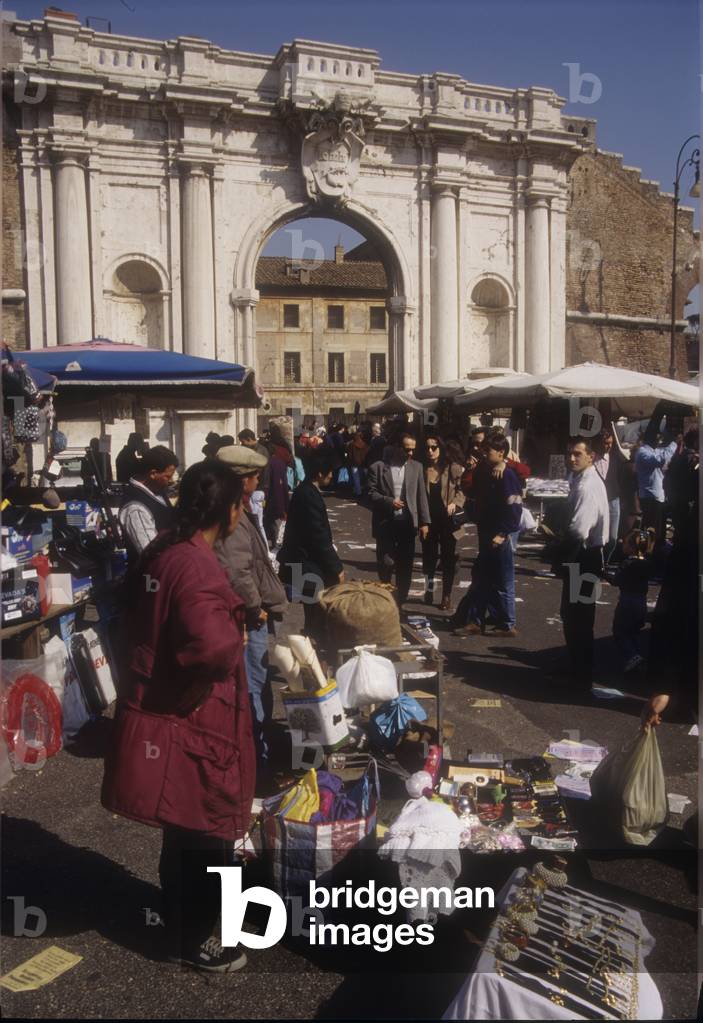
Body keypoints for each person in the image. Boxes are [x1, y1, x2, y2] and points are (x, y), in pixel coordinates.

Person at [102, 460, 254, 973]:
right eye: (241, 503)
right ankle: (200, 939)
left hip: (169, 712)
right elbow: (210, 647)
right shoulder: (195, 563)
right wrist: (238, 637)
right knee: (211, 828)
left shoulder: (165, 550)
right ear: (228, 511)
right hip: (199, 717)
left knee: (182, 826)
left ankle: (179, 924)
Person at [215, 445, 287, 768]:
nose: (259, 478)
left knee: (258, 683)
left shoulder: (240, 509)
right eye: (253, 474)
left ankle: (261, 748)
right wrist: (255, 607)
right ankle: (257, 759)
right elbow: (236, 570)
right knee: (253, 686)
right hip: (249, 617)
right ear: (240, 479)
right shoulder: (229, 515)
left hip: (254, 613)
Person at [453, 434, 522, 636]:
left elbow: (515, 507)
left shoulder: (507, 474)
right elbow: (470, 487)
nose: (484, 453)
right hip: (486, 531)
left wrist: (503, 533)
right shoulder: (484, 469)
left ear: (501, 453)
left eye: (488, 451)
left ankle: (507, 624)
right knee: (482, 577)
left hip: (499, 534)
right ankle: (475, 621)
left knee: (503, 579)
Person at [555, 438, 609, 689]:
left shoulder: (587, 485)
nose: (572, 458)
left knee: (578, 617)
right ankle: (578, 668)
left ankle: (581, 674)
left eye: (578, 454)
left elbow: (579, 530)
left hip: (584, 557)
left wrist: (556, 543)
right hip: (585, 556)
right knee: (575, 615)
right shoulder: (581, 479)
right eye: (570, 453)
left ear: (591, 456)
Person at [278, 451, 344, 633]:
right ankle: (314, 651)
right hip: (308, 565)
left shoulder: (305, 491)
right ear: (320, 473)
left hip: (305, 562)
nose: (332, 475)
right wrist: (337, 567)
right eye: (329, 471)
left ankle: (313, 646)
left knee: (314, 613)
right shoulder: (308, 495)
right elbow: (319, 536)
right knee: (317, 615)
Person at [367, 433, 430, 606]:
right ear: (397, 447)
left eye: (413, 450)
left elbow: (421, 496)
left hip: (407, 524)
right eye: (407, 449)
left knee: (405, 565)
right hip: (385, 523)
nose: (410, 453)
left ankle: (400, 601)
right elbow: (370, 493)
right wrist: (389, 501)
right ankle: (387, 597)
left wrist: (425, 522)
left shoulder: (416, 467)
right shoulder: (378, 468)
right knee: (386, 562)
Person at [421, 434, 465, 611]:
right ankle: (429, 590)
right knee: (428, 558)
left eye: (434, 447)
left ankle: (446, 596)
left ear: (441, 448)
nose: (430, 451)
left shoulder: (452, 468)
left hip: (448, 521)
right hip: (429, 520)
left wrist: (456, 502)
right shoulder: (422, 469)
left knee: (448, 559)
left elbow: (463, 490)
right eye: (427, 448)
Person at [118, 445, 179, 563]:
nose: (171, 481)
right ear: (153, 473)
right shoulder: (136, 508)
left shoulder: (157, 491)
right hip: (150, 578)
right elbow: (152, 553)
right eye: (167, 477)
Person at [612, 527, 655, 673]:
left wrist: (604, 573)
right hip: (641, 602)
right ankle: (637, 658)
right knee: (634, 632)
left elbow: (616, 580)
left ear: (631, 547)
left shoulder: (628, 563)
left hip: (627, 601)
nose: (622, 545)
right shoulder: (647, 564)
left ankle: (633, 656)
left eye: (625, 543)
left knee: (620, 631)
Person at [634, 418, 677, 545]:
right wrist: (675, 443)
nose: (659, 438)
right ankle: (645, 551)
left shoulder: (654, 450)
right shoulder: (642, 452)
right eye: (658, 436)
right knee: (650, 530)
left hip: (657, 497)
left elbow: (664, 454)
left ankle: (653, 552)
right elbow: (660, 460)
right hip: (650, 497)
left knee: (658, 531)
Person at [594, 424, 628, 564]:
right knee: (597, 537)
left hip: (613, 501)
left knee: (613, 538)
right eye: (606, 443)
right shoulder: (591, 460)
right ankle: (597, 564)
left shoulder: (615, 459)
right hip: (596, 502)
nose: (608, 446)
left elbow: (622, 479)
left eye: (611, 443)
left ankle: (604, 563)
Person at [238, 428, 271, 535]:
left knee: (257, 524)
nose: (242, 444)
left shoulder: (259, 452)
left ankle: (262, 550)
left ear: (249, 439)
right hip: (259, 490)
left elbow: (255, 471)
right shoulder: (260, 450)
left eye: (243, 442)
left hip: (257, 490)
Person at [348, 428, 370, 498]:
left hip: (354, 463)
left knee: (356, 478)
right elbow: (367, 454)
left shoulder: (351, 444)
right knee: (363, 477)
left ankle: (358, 492)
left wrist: (350, 461)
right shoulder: (365, 444)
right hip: (363, 463)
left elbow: (349, 455)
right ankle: (363, 490)